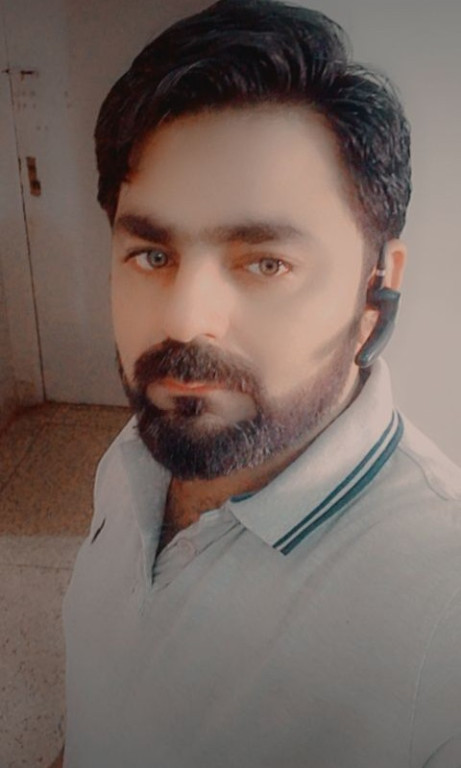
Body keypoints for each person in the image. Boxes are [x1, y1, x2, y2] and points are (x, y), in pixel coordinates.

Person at [55, 1, 461, 765]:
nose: (185, 321)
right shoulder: (133, 457)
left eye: (265, 263)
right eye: (151, 255)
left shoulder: (442, 616)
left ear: (376, 287)